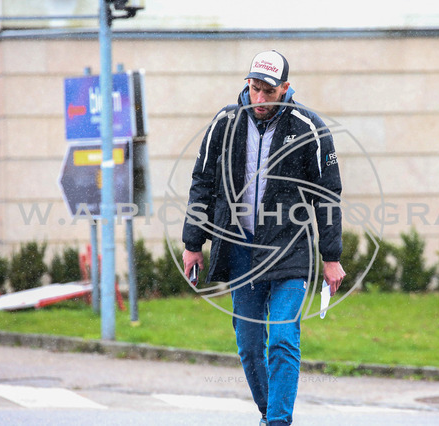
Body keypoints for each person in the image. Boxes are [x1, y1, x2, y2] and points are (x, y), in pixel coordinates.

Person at [182, 50, 345, 426]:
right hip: (240, 250)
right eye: (254, 88)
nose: (259, 98)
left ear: (285, 88)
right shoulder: (225, 123)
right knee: (250, 345)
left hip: (290, 249)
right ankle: (268, 413)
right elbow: (202, 182)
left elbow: (327, 195)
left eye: (268, 91)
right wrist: (193, 243)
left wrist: (331, 256)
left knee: (283, 337)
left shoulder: (308, 127)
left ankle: (277, 422)